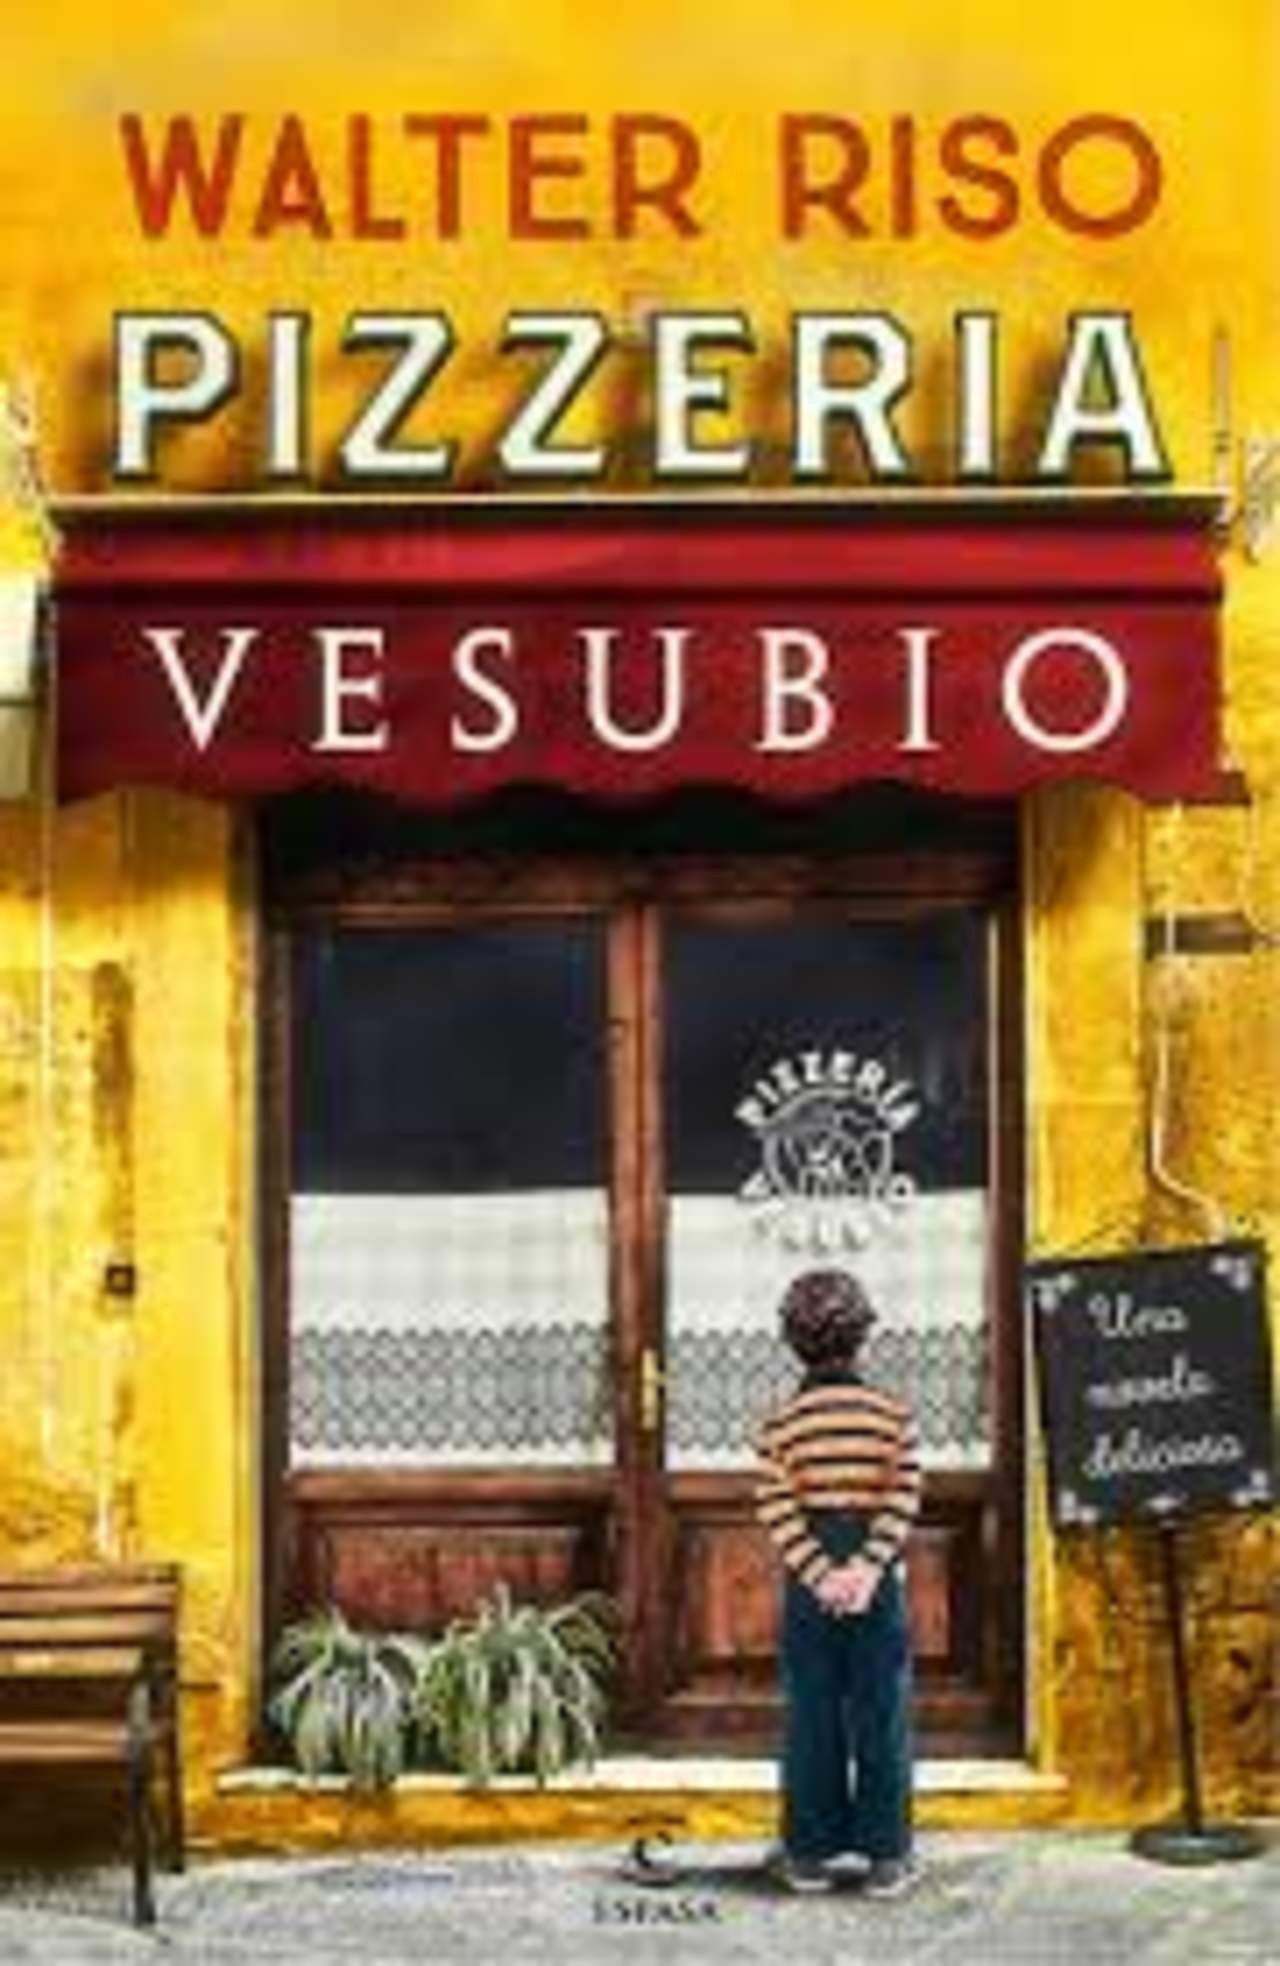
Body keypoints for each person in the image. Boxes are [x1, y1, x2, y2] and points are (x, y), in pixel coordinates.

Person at [754, 1267, 922, 1896]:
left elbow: (776, 1504)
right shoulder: (892, 1416)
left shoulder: (781, 1423)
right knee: (882, 1710)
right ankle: (888, 1856)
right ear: (862, 1336)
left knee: (812, 1711)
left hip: (812, 1576)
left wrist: (821, 1572)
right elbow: (905, 1492)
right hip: (876, 1577)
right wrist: (870, 1565)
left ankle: (807, 1854)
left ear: (792, 1340)